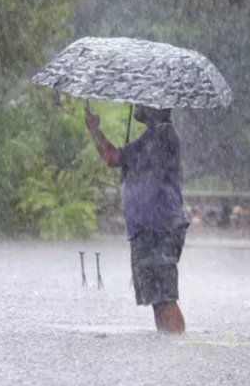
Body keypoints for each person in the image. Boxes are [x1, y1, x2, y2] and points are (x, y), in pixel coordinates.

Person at [85, 103, 189, 333]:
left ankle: (176, 347)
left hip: (158, 228)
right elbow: (114, 157)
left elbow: (113, 157)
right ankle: (168, 348)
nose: (138, 104)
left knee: (164, 297)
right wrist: (94, 130)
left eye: (144, 101)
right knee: (157, 298)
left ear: (156, 106)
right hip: (148, 228)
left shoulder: (161, 136)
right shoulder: (152, 137)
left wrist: (94, 130)